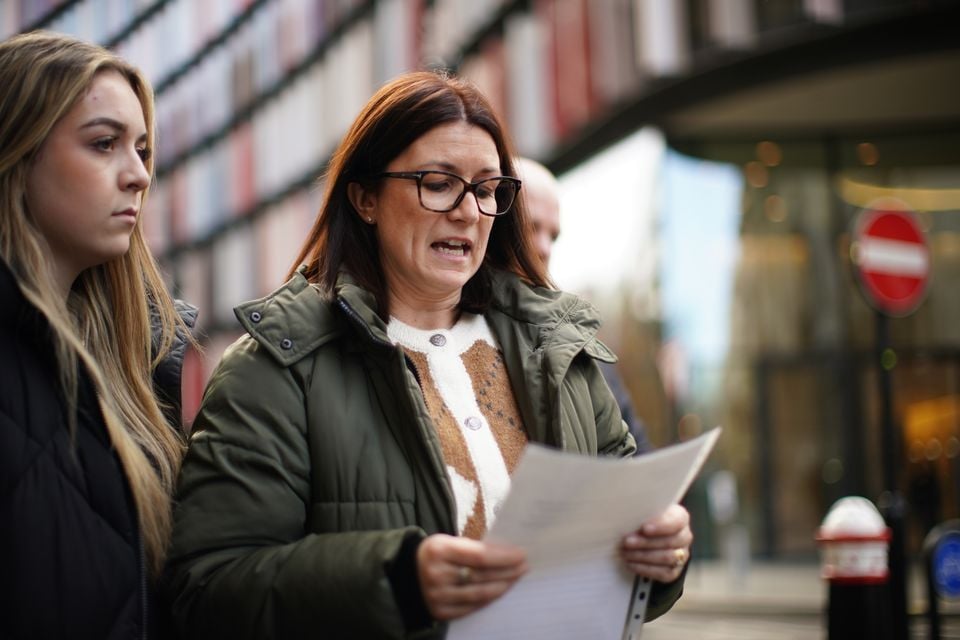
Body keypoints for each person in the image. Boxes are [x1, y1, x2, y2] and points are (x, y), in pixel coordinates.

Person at [165, 71, 691, 639]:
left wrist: (660, 557)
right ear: (364, 197)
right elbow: (207, 589)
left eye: (488, 189)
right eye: (439, 183)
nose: (468, 212)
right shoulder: (275, 367)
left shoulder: (560, 350)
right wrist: (395, 581)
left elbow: (624, 549)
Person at [0, 31, 196, 639]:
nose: (139, 175)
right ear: (16, 151)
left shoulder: (148, 366)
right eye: (104, 144)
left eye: (142, 149)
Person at [518, 156, 652, 452]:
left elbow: (637, 451)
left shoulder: (577, 343)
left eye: (553, 235)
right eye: (531, 226)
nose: (545, 247)